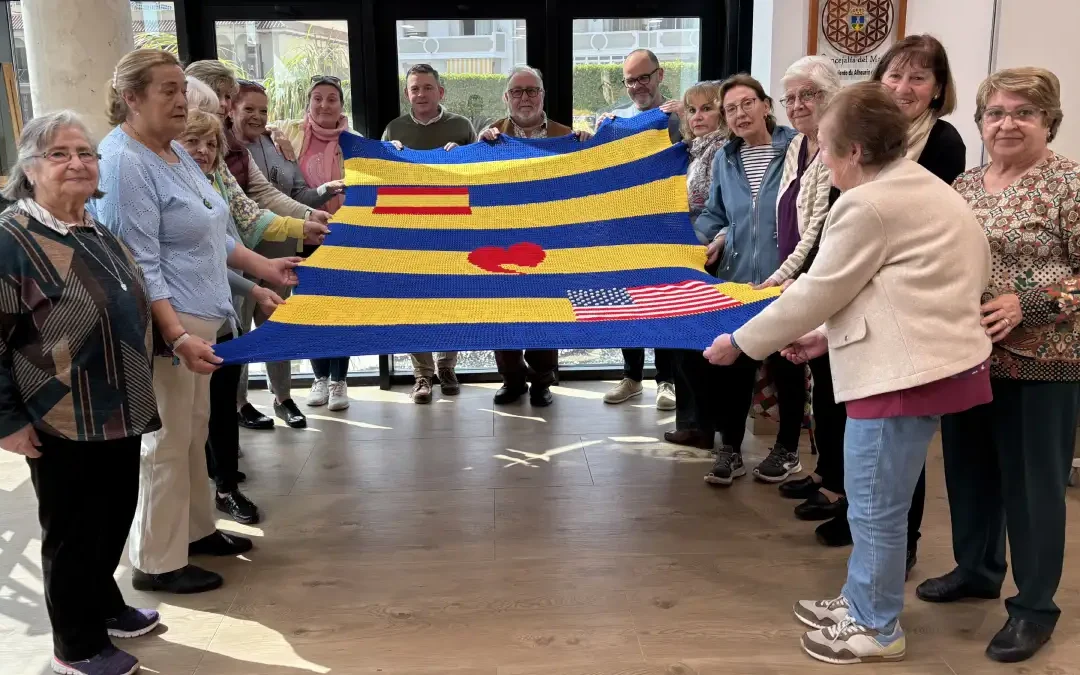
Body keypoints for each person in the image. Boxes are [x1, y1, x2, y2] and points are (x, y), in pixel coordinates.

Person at [703, 82, 992, 664]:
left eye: (827, 150)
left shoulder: (867, 204)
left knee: (875, 506)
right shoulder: (921, 185)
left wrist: (740, 341)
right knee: (875, 501)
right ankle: (862, 598)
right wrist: (824, 337)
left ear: (855, 151)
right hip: (918, 364)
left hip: (900, 375)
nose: (824, 163)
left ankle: (877, 626)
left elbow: (818, 290)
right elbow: (893, 287)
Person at [90, 48, 299, 594]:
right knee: (165, 443)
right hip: (168, 326)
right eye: (167, 90)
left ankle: (196, 531)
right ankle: (157, 561)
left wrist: (263, 267)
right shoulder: (125, 162)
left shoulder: (171, 153)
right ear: (131, 98)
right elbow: (138, 265)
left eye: (181, 89)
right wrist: (176, 335)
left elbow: (213, 229)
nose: (181, 100)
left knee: (193, 433)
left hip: (203, 318)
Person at [916, 67, 1080, 664]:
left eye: (1024, 113)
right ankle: (978, 569)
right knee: (969, 472)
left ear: (1048, 122)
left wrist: (1026, 304)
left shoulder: (1069, 186)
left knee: (1032, 488)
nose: (1007, 123)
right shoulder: (964, 185)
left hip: (1044, 362)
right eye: (996, 113)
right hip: (967, 357)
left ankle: (1034, 607)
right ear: (980, 122)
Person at [0, 111, 160, 675]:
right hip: (60, 414)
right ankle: (76, 646)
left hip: (120, 405)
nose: (77, 163)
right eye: (59, 154)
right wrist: (6, 420)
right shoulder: (11, 239)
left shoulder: (93, 228)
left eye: (86, 153)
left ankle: (104, 604)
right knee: (72, 533)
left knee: (112, 516)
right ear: (29, 169)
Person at [812, 33, 968, 567]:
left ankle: (897, 549)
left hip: (900, 325)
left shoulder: (941, 144)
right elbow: (834, 227)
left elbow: (900, 237)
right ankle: (855, 515)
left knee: (895, 448)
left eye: (918, 77)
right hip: (853, 308)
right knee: (861, 440)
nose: (903, 87)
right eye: (894, 75)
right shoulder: (858, 142)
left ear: (938, 88)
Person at [186, 62, 333, 428]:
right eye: (228, 99)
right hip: (218, 271)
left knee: (272, 323)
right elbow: (238, 215)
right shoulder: (180, 156)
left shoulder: (246, 148)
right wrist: (301, 224)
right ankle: (237, 409)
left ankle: (278, 399)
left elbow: (261, 197)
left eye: (262, 110)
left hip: (259, 254)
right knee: (235, 337)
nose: (226, 105)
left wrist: (306, 218)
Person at [682, 73, 800, 481]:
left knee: (786, 365)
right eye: (730, 108)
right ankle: (730, 449)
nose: (739, 114)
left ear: (766, 105)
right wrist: (696, 243)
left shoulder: (797, 149)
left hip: (784, 276)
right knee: (734, 366)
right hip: (737, 278)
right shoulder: (724, 158)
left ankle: (787, 448)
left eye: (747, 103)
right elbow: (716, 213)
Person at [178, 107, 293, 526]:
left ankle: (225, 487)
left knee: (220, 409)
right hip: (182, 323)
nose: (203, 150)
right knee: (189, 423)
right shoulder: (165, 193)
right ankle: (199, 502)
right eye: (192, 141)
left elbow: (223, 251)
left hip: (221, 314)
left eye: (210, 143)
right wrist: (257, 284)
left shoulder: (211, 189)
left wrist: (257, 284)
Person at [756, 57, 847, 527]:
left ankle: (838, 485)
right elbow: (784, 213)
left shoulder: (837, 145)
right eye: (789, 97)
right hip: (796, 275)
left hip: (820, 279)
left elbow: (818, 227)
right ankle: (824, 471)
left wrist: (784, 276)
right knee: (812, 380)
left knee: (832, 388)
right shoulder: (796, 145)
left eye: (807, 94)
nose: (796, 105)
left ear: (831, 96)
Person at [477, 66, 589, 407]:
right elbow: (474, 182)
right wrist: (477, 148)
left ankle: (542, 381)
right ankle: (512, 380)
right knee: (503, 313)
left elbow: (583, 185)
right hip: (501, 240)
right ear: (506, 97)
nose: (524, 97)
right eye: (517, 91)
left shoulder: (566, 136)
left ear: (542, 95)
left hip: (549, 240)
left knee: (545, 312)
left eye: (532, 90)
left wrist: (589, 145)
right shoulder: (490, 136)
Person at [382, 63, 475, 403]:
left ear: (440, 92)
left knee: (452, 299)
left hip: (453, 228)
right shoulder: (394, 129)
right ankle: (422, 375)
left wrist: (463, 158)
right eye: (414, 88)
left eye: (427, 87)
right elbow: (381, 177)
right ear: (407, 94)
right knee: (414, 302)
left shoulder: (462, 126)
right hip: (410, 231)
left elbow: (481, 173)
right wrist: (388, 156)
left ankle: (447, 366)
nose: (420, 94)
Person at [272, 75, 359, 411]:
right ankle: (319, 377)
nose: (324, 105)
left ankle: (339, 380)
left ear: (341, 105)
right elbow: (254, 129)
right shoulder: (289, 131)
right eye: (317, 98)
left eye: (332, 98)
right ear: (308, 103)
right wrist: (273, 132)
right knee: (309, 309)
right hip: (302, 232)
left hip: (344, 236)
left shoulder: (354, 141)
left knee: (340, 311)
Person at [601, 48, 682, 408]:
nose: (637, 86)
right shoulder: (617, 121)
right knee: (627, 304)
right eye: (630, 81)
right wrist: (599, 133)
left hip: (667, 227)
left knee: (664, 303)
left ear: (660, 75)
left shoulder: (679, 118)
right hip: (625, 228)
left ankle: (667, 381)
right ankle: (632, 377)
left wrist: (688, 117)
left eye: (643, 78)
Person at [662, 79, 726, 449]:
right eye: (692, 110)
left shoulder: (726, 151)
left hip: (710, 256)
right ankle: (692, 423)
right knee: (683, 345)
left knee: (698, 347)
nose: (698, 116)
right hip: (684, 254)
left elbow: (725, 208)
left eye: (707, 108)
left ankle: (705, 425)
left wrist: (707, 238)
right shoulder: (690, 151)